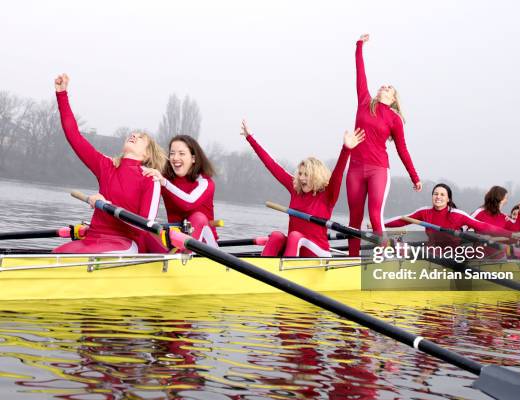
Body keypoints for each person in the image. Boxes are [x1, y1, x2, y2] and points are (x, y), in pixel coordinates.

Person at [53, 74, 166, 253]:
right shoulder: (106, 166)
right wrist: (62, 95)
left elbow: (145, 227)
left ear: (147, 154)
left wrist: (107, 206)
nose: (134, 135)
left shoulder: (149, 179)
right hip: (92, 238)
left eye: (141, 137)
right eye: (134, 133)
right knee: (55, 254)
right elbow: (73, 135)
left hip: (124, 243)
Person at [241, 119, 365, 257]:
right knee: (276, 236)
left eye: (306, 175)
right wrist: (250, 138)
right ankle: (260, 273)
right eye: (300, 174)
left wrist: (346, 149)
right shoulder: (295, 188)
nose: (301, 178)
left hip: (319, 252)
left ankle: (286, 273)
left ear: (316, 177)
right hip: (298, 249)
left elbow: (338, 174)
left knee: (294, 236)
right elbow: (271, 165)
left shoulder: (328, 194)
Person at [347, 33, 422, 257]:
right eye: (383, 86)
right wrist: (359, 46)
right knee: (354, 219)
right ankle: (351, 261)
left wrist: (414, 176)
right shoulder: (364, 102)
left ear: (394, 97)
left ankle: (385, 256)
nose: (384, 87)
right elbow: (360, 72)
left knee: (374, 215)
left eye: (389, 88)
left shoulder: (394, 119)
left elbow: (402, 149)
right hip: (355, 169)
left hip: (378, 169)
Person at [385, 183, 520, 248]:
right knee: (399, 245)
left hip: (453, 253)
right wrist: (379, 224)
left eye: (442, 194)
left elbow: (484, 226)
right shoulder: (424, 212)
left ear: (448, 199)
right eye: (435, 194)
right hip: (431, 249)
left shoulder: (458, 215)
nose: (438, 197)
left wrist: (511, 235)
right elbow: (402, 220)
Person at [142, 135, 218, 247]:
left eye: (181, 153)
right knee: (147, 229)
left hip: (205, 245)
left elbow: (188, 203)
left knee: (198, 217)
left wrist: (165, 183)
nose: (175, 158)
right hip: (176, 242)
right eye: (172, 153)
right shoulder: (164, 177)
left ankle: (182, 257)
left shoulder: (205, 182)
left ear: (193, 158)